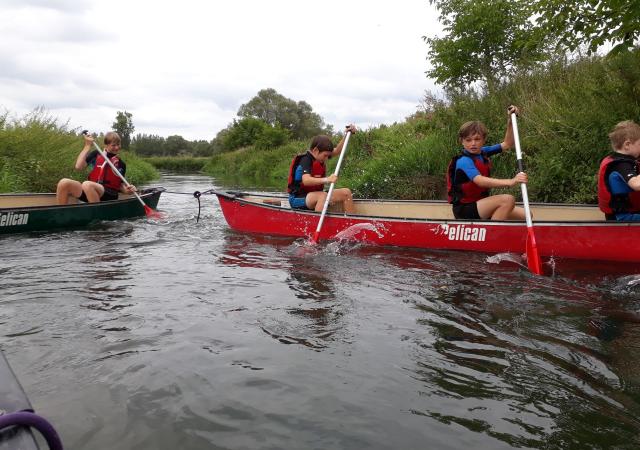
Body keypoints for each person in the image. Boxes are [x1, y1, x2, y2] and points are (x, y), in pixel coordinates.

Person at [446, 105, 528, 220]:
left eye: (477, 139)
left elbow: (507, 144)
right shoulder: (463, 161)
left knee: (527, 215)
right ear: (462, 142)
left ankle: (493, 226)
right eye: (468, 140)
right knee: (507, 200)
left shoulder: (483, 152)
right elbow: (480, 181)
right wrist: (511, 181)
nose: (473, 143)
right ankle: (492, 233)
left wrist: (510, 121)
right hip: (465, 210)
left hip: (481, 205)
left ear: (483, 140)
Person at [287, 125, 357, 213]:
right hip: (298, 199)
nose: (327, 158)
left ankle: (351, 223)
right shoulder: (305, 160)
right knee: (322, 196)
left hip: (316, 195)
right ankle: (316, 222)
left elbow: (337, 151)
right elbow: (306, 180)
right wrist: (327, 179)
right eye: (325, 156)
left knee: (346, 193)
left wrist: (347, 135)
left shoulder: (320, 156)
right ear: (316, 150)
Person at [56, 131, 136, 205]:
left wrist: (127, 191)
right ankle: (61, 214)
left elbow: (120, 185)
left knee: (87, 184)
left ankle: (97, 215)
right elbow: (78, 167)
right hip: (90, 190)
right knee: (64, 183)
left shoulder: (121, 164)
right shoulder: (96, 154)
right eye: (113, 145)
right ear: (106, 145)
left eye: (118, 144)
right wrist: (87, 146)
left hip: (109, 194)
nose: (117, 147)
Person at [597, 120, 640, 221]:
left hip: (627, 213)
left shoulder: (620, 161)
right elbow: (637, 185)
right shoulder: (621, 165)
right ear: (627, 145)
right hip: (622, 218)